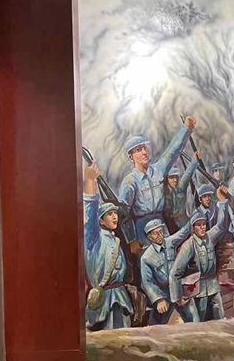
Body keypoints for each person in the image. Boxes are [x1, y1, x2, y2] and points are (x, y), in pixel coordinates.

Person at [119, 116, 196, 250]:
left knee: (169, 256)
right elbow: (123, 212)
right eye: (138, 150)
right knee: (149, 259)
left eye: (144, 148)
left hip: (162, 225)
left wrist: (186, 128)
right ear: (131, 157)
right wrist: (132, 239)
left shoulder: (158, 170)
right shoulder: (130, 181)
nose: (144, 152)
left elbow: (173, 151)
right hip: (142, 229)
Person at [83, 163, 134, 330]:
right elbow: (90, 211)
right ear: (101, 220)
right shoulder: (93, 237)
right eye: (109, 214)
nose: (114, 217)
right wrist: (90, 181)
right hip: (103, 300)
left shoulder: (115, 239)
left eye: (115, 213)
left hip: (121, 297)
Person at [170, 209, 229, 321]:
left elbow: (221, 226)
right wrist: (177, 297)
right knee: (201, 322)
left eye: (204, 224)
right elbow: (175, 272)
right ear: (193, 228)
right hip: (198, 291)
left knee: (220, 319)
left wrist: (223, 204)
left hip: (213, 287)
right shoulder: (188, 245)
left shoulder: (210, 237)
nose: (202, 227)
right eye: (198, 225)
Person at [140, 218, 199, 324]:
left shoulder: (169, 242)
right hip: (163, 293)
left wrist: (192, 220)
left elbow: (183, 233)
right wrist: (159, 299)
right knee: (157, 326)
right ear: (149, 237)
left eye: (160, 232)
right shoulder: (146, 257)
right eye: (155, 233)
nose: (159, 235)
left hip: (178, 289)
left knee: (192, 317)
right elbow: (147, 282)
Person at [163, 153, 200, 233]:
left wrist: (194, 161)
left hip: (184, 222)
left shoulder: (181, 188)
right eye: (172, 177)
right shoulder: (162, 192)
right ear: (167, 179)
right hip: (169, 224)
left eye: (176, 177)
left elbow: (188, 174)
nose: (175, 180)